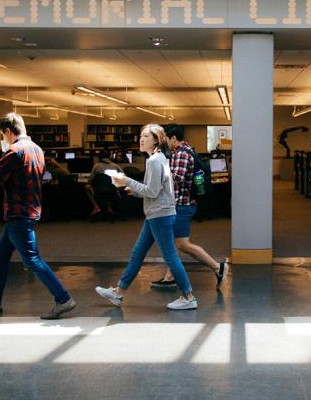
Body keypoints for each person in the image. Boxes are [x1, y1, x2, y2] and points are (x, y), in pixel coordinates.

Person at [0, 112, 76, 320]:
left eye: (3, 134)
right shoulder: (37, 149)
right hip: (29, 210)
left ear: (8, 131)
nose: (4, 138)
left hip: (18, 213)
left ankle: (63, 299)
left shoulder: (14, 152)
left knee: (32, 259)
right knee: (2, 255)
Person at [94, 124, 198, 310]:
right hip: (156, 214)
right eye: (140, 136)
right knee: (138, 253)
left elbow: (151, 190)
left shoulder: (154, 161)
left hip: (160, 215)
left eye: (145, 136)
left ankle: (188, 296)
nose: (140, 140)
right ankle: (118, 292)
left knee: (170, 257)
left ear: (156, 140)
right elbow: (155, 190)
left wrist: (126, 180)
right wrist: (135, 191)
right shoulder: (159, 158)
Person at [150, 123, 228, 290]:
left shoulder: (182, 154)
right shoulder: (183, 152)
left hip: (182, 205)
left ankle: (217, 267)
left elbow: (176, 179)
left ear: (173, 138)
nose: (164, 144)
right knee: (174, 243)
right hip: (182, 204)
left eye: (165, 140)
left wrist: (158, 169)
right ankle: (170, 276)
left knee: (183, 244)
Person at [86, 153, 123, 218]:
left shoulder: (96, 166)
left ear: (99, 158)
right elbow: (124, 178)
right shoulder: (116, 166)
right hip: (113, 191)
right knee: (119, 187)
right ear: (109, 157)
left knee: (87, 187)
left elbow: (90, 180)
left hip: (99, 191)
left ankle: (96, 206)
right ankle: (110, 206)